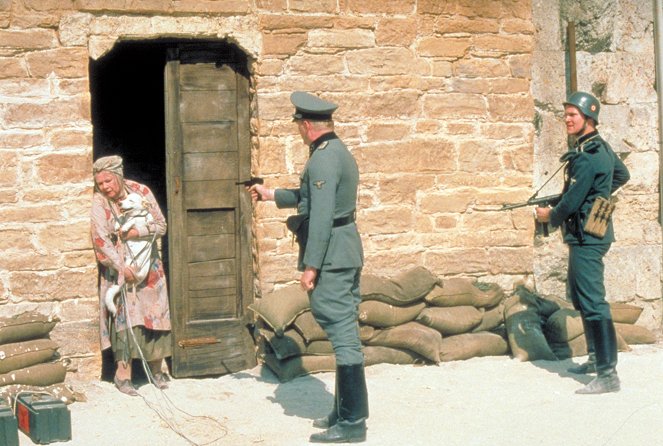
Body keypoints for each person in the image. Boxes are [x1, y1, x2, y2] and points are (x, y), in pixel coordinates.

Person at [250, 92, 368, 443]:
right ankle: (343, 411)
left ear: (306, 126)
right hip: (342, 249)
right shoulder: (333, 152)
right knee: (342, 328)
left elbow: (320, 218)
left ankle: (352, 423)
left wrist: (311, 266)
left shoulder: (322, 160)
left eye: (299, 128)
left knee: (342, 331)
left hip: (332, 253)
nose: (299, 134)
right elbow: (311, 198)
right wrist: (272, 195)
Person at [535, 91, 630, 394]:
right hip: (592, 232)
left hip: (586, 237)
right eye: (565, 114)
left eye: (573, 115)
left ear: (589, 118)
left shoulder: (586, 158)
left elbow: (569, 205)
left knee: (592, 303)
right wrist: (598, 199)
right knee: (581, 298)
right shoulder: (600, 148)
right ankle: (594, 359)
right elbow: (621, 174)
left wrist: (547, 215)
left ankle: (607, 374)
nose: (567, 119)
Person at [91, 155, 172, 396]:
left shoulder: (141, 191)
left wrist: (137, 232)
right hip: (121, 269)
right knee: (125, 318)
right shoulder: (100, 203)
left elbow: (161, 225)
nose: (105, 187)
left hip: (148, 267)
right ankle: (123, 376)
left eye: (108, 181)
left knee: (155, 314)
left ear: (118, 176)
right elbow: (100, 240)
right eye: (100, 183)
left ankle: (157, 371)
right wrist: (119, 266)